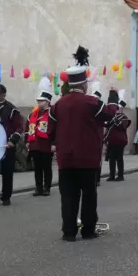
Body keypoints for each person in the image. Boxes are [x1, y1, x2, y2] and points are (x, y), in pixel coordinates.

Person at [47, 45, 125, 242]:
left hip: (65, 159)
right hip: (88, 159)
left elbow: (50, 130)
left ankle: (69, 232)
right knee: (88, 196)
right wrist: (114, 96)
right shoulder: (92, 103)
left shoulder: (58, 105)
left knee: (68, 197)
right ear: (84, 85)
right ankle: (88, 230)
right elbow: (110, 114)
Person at [25, 78, 55, 197]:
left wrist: (54, 143)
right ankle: (38, 188)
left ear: (47, 102)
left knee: (46, 167)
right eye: (38, 101)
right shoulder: (32, 114)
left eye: (41, 101)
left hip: (47, 145)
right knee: (37, 168)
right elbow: (27, 128)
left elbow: (56, 130)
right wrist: (27, 141)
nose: (39, 103)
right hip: (35, 145)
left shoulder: (52, 114)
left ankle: (47, 187)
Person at [105, 109, 130, 181]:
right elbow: (107, 125)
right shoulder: (112, 117)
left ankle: (120, 175)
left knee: (119, 158)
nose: (116, 111)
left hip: (120, 141)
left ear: (121, 110)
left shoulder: (124, 117)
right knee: (111, 159)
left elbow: (122, 126)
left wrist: (115, 119)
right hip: (112, 140)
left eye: (118, 109)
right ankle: (112, 175)